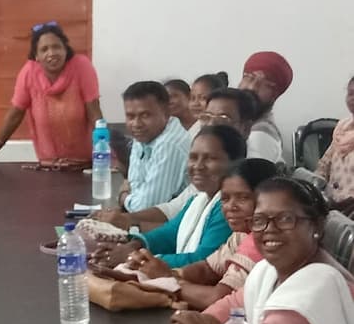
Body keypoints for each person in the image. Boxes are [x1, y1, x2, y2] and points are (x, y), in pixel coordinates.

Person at [169, 178, 354, 324]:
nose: (270, 229)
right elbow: (230, 307)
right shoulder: (268, 271)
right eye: (259, 220)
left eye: (285, 219)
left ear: (316, 226)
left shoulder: (321, 283)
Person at [96, 87, 260, 230]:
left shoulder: (248, 178)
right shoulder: (205, 180)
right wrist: (125, 220)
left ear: (245, 127)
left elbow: (199, 247)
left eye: (222, 119)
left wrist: (126, 211)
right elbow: (173, 210)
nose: (211, 125)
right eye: (207, 117)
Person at [127, 159, 278, 310]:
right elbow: (207, 269)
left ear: (267, 200)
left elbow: (217, 299)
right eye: (225, 199)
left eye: (243, 198)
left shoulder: (260, 241)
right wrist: (160, 271)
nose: (231, 206)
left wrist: (166, 279)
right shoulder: (240, 235)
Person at [96, 125, 245, 269]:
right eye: (193, 157)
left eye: (210, 158)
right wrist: (133, 246)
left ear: (235, 163)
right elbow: (170, 233)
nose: (198, 166)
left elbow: (202, 261)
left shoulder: (229, 209)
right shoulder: (198, 199)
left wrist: (137, 258)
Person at [0, 21, 103, 165]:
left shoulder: (82, 66)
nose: (52, 53)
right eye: (44, 49)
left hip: (85, 163)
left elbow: (95, 113)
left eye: (57, 47)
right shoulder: (29, 72)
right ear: (36, 56)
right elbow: (14, 116)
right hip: (49, 164)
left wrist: (104, 158)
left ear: (65, 49)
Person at [118, 81, 191, 212]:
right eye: (130, 116)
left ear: (166, 113)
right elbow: (134, 184)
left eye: (145, 115)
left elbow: (146, 207)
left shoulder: (170, 144)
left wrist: (124, 197)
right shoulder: (145, 135)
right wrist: (134, 196)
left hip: (176, 221)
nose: (136, 124)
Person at [238, 51, 292, 163]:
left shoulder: (261, 134)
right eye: (249, 77)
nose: (252, 87)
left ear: (274, 95)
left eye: (266, 84)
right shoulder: (236, 121)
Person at [316, 75, 354, 216]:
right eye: (350, 93)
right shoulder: (342, 128)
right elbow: (324, 165)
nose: (352, 98)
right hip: (331, 208)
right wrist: (316, 191)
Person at [187, 72, 229, 138]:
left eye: (203, 98)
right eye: (192, 98)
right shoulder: (195, 128)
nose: (195, 103)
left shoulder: (221, 130)